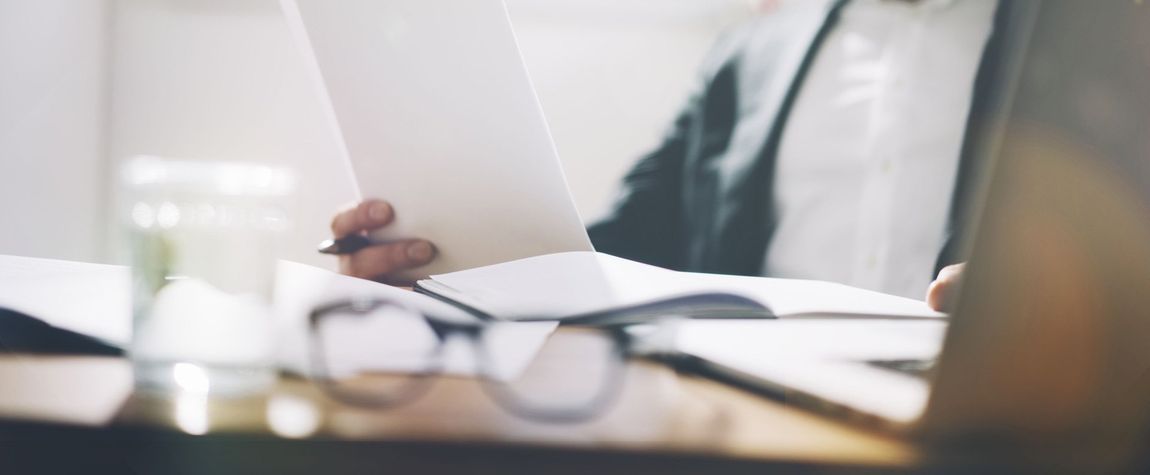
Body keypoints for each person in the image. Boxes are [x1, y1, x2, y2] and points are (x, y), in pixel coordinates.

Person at [330, 0, 1008, 310]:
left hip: (989, 423)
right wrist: (442, 268)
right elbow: (619, 243)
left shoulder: (1085, 44)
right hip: (756, 418)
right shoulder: (751, 53)